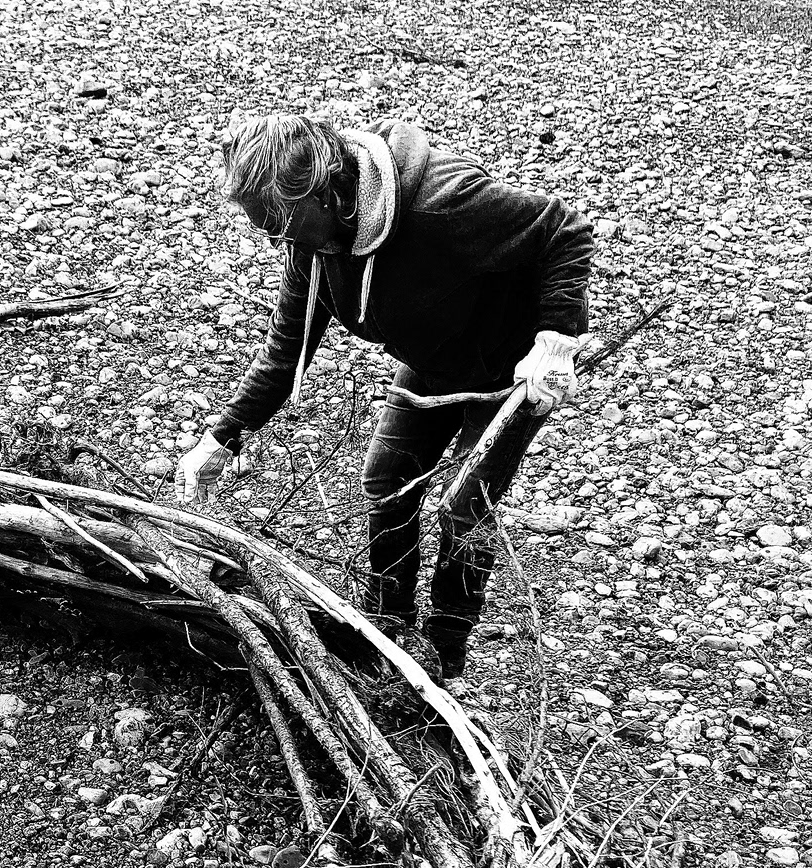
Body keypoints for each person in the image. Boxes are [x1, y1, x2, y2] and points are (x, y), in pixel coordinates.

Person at [178, 113, 594, 682]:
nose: (277, 241)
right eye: (265, 228)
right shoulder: (311, 245)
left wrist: (556, 341)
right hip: (431, 363)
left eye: (280, 224)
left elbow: (564, 229)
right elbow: (286, 349)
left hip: (512, 373)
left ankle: (445, 655)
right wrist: (221, 437)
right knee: (386, 481)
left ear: (326, 193)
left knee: (464, 507)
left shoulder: (444, 204)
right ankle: (388, 631)